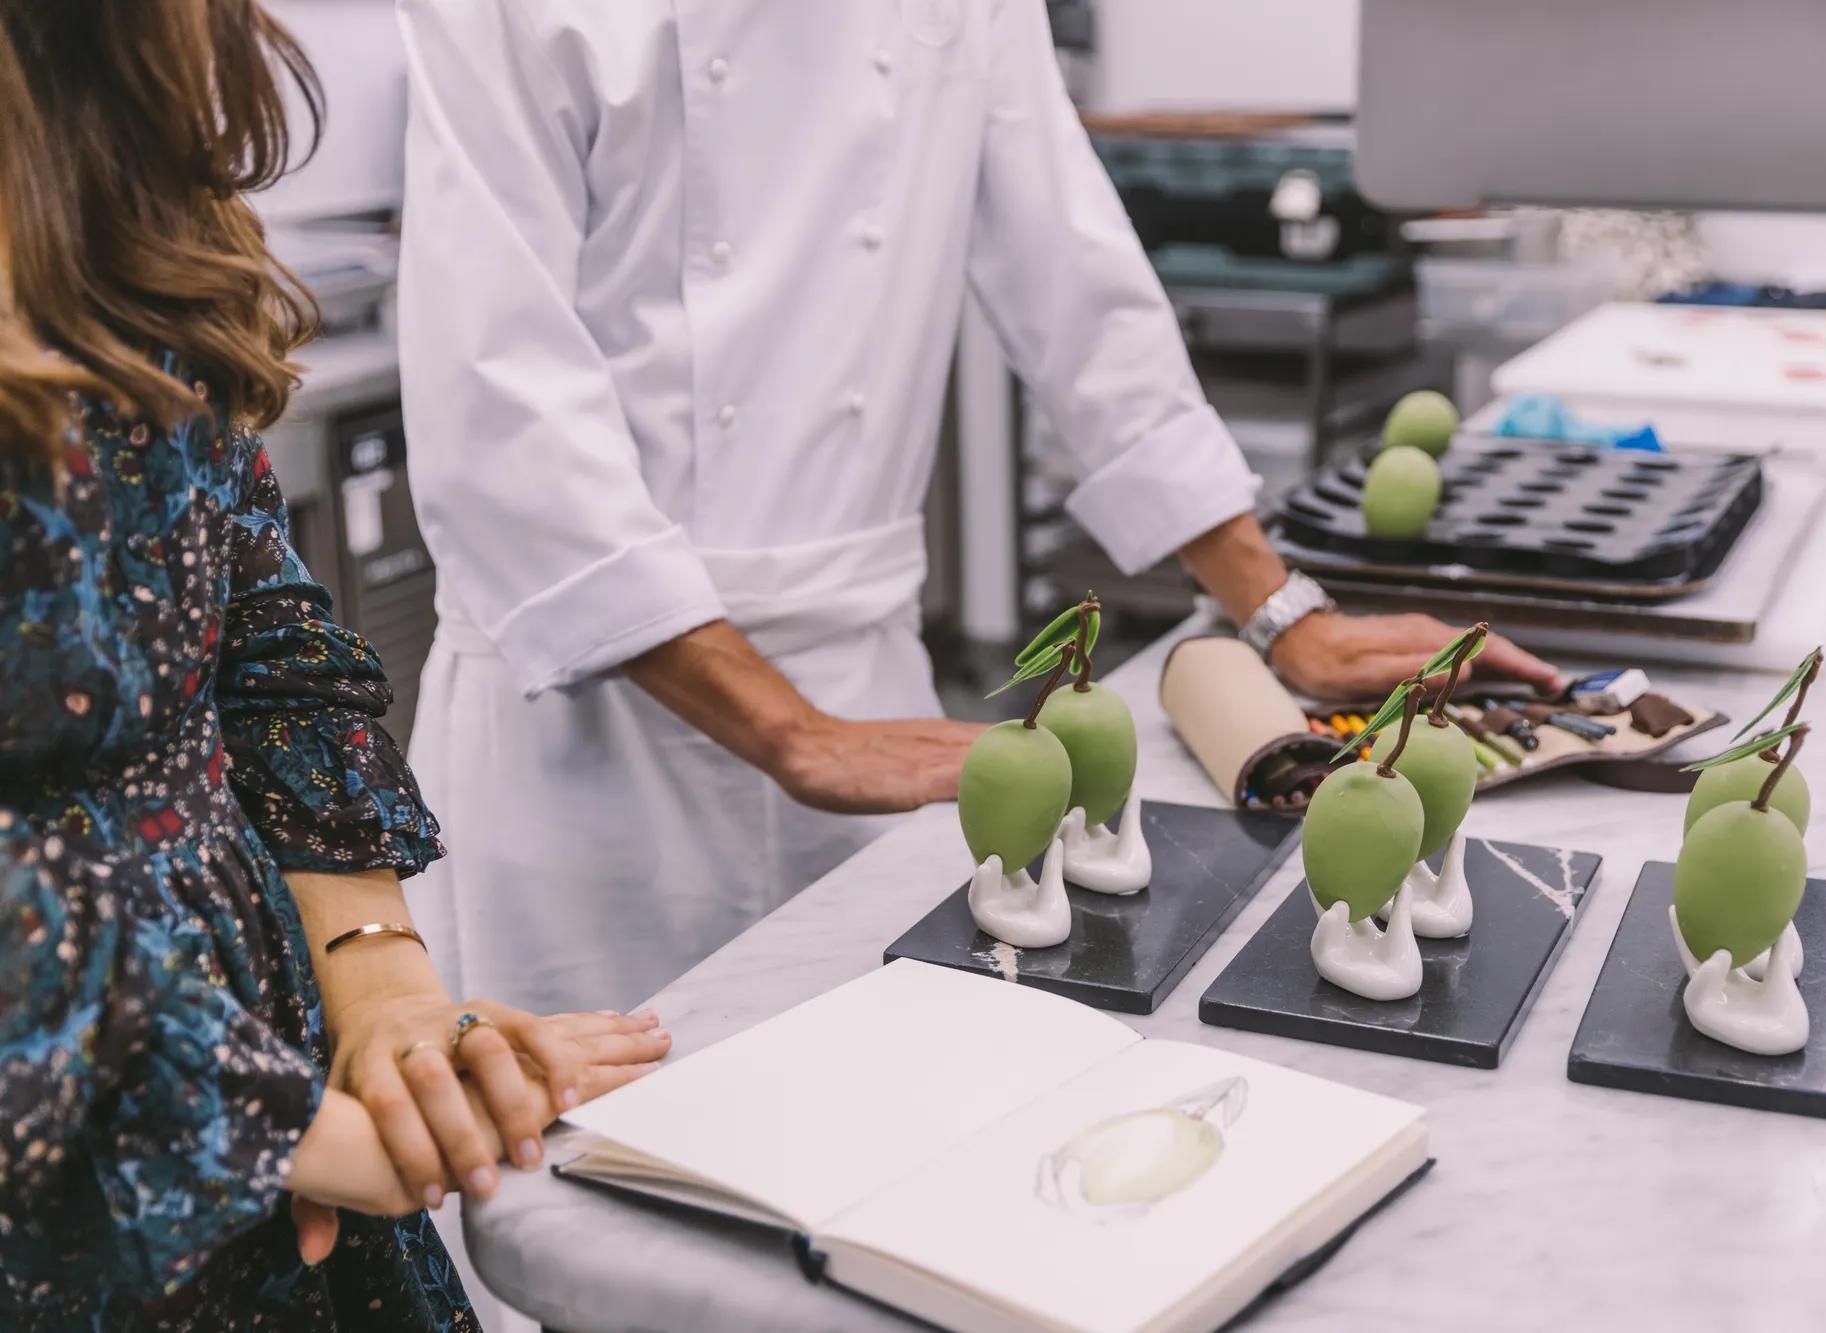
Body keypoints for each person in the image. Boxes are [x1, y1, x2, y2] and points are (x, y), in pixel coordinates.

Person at [396, 1, 1561, 1020]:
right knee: (588, 1200)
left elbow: (1080, 288)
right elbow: (498, 395)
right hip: (588, 739)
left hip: (865, 695)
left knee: (873, 1141)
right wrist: (796, 739)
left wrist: (1282, 614)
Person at [0, 4, 665, 1326]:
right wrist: (276, 1122)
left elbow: (264, 637)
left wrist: (383, 994)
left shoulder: (122, 198)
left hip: (267, 1063)